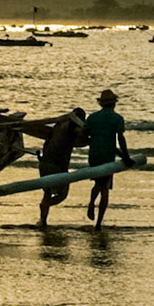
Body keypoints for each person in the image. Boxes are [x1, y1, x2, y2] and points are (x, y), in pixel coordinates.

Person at [83, 89, 131, 230]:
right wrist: (125, 155)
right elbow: (120, 138)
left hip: (94, 154)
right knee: (104, 188)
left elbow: (84, 134)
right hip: (107, 156)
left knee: (98, 183)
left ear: (101, 104)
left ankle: (91, 203)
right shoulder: (117, 119)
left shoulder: (92, 117)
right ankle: (98, 223)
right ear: (114, 104)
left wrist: (94, 140)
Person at [37, 108, 87, 227]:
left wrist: (41, 158)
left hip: (44, 163)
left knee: (47, 192)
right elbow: (82, 135)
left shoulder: (58, 125)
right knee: (63, 194)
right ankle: (46, 205)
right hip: (57, 165)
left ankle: (43, 220)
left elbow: (47, 142)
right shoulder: (72, 128)